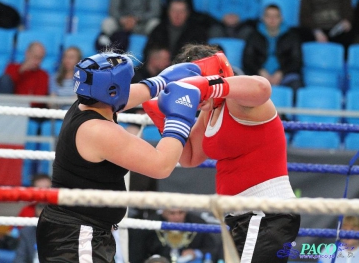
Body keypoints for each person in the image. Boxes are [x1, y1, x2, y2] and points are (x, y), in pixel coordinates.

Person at [36, 51, 202, 261]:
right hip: (76, 235)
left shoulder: (90, 105)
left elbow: (125, 95)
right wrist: (179, 118)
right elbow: (162, 166)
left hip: (78, 231)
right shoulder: (98, 130)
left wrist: (161, 82)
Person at [143, 44, 301, 262]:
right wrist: (165, 118)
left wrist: (208, 86)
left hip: (265, 212)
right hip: (240, 215)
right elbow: (189, 157)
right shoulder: (210, 112)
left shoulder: (240, 102)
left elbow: (262, 87)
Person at [243, 4, 303, 102]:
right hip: (258, 75)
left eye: (276, 16)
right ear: (263, 18)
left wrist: (281, 72)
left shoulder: (292, 37)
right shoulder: (253, 36)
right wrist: (260, 70)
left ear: (281, 18)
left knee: (296, 85)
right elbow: (247, 59)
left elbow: (297, 61)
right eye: (269, 16)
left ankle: (289, 116)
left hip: (285, 76)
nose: (272, 19)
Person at [129, 208, 217, 263]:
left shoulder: (196, 223)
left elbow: (212, 248)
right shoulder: (150, 225)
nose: (177, 217)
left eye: (180, 212)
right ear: (163, 212)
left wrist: (196, 253)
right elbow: (137, 254)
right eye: (172, 213)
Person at [143, 0, 208, 61]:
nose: (177, 15)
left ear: (187, 13)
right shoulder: (158, 30)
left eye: (181, 11)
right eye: (174, 11)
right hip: (160, 70)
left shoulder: (198, 32)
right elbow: (148, 53)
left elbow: (198, 55)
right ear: (168, 12)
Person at [96, 0, 161, 52]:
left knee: (155, 23)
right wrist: (123, 19)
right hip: (122, 23)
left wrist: (137, 19)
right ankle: (104, 48)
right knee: (108, 22)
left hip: (141, 24)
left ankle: (154, 50)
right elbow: (113, 10)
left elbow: (155, 12)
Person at [0, 42, 49, 108]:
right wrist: (22, 70)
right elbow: (5, 87)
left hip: (31, 109)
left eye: (40, 58)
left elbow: (39, 99)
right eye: (35, 57)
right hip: (12, 106)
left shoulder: (43, 75)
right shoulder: (12, 67)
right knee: (4, 79)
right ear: (27, 53)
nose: (37, 61)